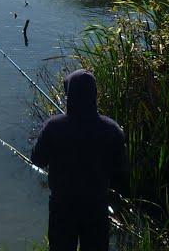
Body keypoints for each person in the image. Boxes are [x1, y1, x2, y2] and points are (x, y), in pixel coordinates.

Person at [30, 69, 128, 251]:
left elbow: (37, 160)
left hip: (62, 207)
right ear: (94, 95)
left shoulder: (53, 126)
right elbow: (120, 171)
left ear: (70, 95)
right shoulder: (112, 129)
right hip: (96, 206)